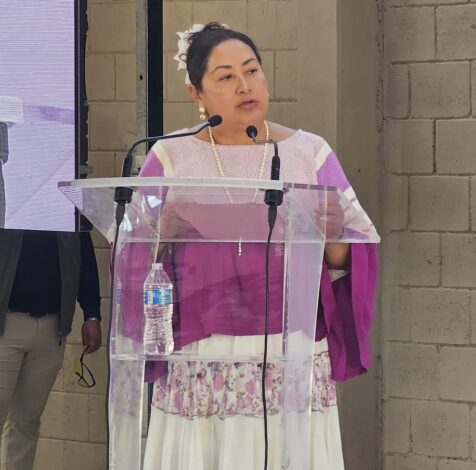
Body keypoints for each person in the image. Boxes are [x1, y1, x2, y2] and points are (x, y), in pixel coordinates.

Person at [120, 22, 378, 470]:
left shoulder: (308, 153)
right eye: (225, 76)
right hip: (204, 347)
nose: (245, 85)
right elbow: (131, 254)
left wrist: (334, 232)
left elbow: (347, 258)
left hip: (289, 346)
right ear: (196, 94)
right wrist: (162, 228)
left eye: (252, 70)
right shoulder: (170, 157)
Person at [0, 226, 102, 470]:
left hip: (51, 325)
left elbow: (83, 248)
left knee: (27, 421)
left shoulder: (67, 200)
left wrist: (92, 313)